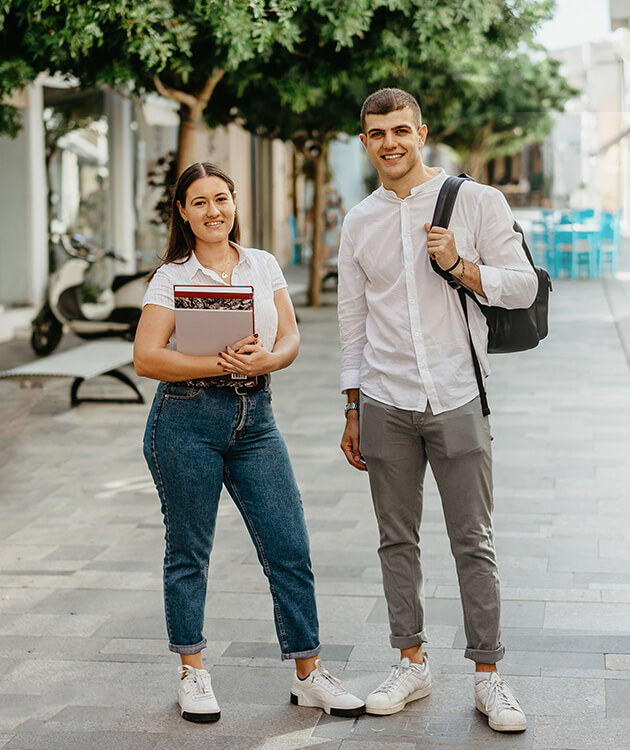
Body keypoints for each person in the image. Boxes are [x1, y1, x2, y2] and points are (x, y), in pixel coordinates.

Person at [134, 161, 365, 723]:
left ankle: (309, 674)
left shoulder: (262, 264)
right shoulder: (171, 276)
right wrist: (214, 360)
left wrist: (270, 359)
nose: (214, 211)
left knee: (290, 544)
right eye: (200, 202)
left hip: (255, 417)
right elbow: (146, 357)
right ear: (183, 213)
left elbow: (289, 337)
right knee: (189, 550)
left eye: (222, 198)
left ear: (234, 203)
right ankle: (193, 671)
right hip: (187, 420)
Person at [337, 89, 537, 733]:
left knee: (472, 541)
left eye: (401, 130)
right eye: (377, 134)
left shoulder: (476, 201)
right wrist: (351, 406)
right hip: (384, 399)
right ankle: (411, 661)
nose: (390, 143)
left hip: (456, 394)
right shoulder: (359, 219)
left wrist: (462, 266)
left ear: (421, 132)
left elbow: (525, 284)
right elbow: (352, 317)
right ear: (363, 141)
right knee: (396, 540)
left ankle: (489, 676)